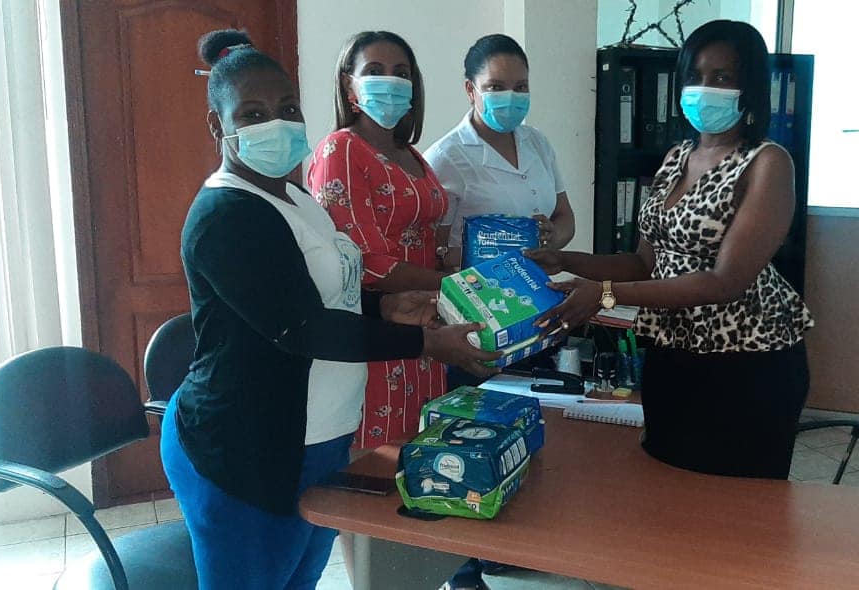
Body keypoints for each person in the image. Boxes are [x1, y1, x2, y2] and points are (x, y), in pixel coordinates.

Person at [162, 30, 497, 589]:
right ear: (218, 127)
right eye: (253, 113)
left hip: (322, 437)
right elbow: (301, 327)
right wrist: (425, 342)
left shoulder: (295, 199)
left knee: (299, 581)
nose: (276, 123)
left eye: (287, 108)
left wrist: (385, 306)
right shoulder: (226, 215)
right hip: (249, 447)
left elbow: (326, 294)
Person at [527, 20, 814, 480]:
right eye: (695, 76)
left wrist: (604, 294)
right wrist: (565, 260)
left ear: (750, 87)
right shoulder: (677, 157)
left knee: (737, 501)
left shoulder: (768, 163)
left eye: (722, 77)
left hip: (747, 362)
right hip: (672, 351)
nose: (705, 88)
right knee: (665, 481)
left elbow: (724, 282)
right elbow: (645, 261)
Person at [307, 31, 453, 452]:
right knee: (379, 459)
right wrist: (455, 284)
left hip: (427, 322)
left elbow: (428, 233)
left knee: (424, 451)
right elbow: (365, 260)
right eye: (374, 71)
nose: (390, 81)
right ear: (348, 84)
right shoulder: (341, 150)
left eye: (401, 73)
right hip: (379, 326)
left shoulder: (411, 153)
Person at [424, 33, 576, 268]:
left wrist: (552, 238)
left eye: (520, 87)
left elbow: (565, 216)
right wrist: (495, 250)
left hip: (535, 282)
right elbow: (431, 251)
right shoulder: (445, 158)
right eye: (495, 87)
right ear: (470, 90)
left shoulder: (537, 142)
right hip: (475, 285)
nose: (510, 97)